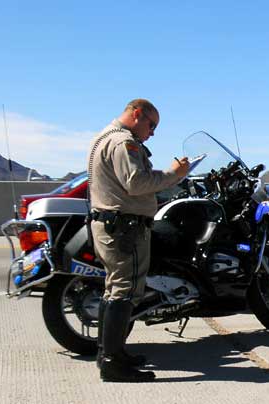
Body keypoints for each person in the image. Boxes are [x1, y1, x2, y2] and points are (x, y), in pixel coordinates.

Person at [88, 99, 190, 382]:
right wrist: (174, 174)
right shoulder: (124, 143)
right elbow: (136, 183)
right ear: (137, 115)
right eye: (152, 125)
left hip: (115, 226)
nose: (153, 132)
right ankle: (112, 363)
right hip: (124, 229)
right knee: (125, 291)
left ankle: (111, 353)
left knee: (114, 290)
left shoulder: (105, 137)